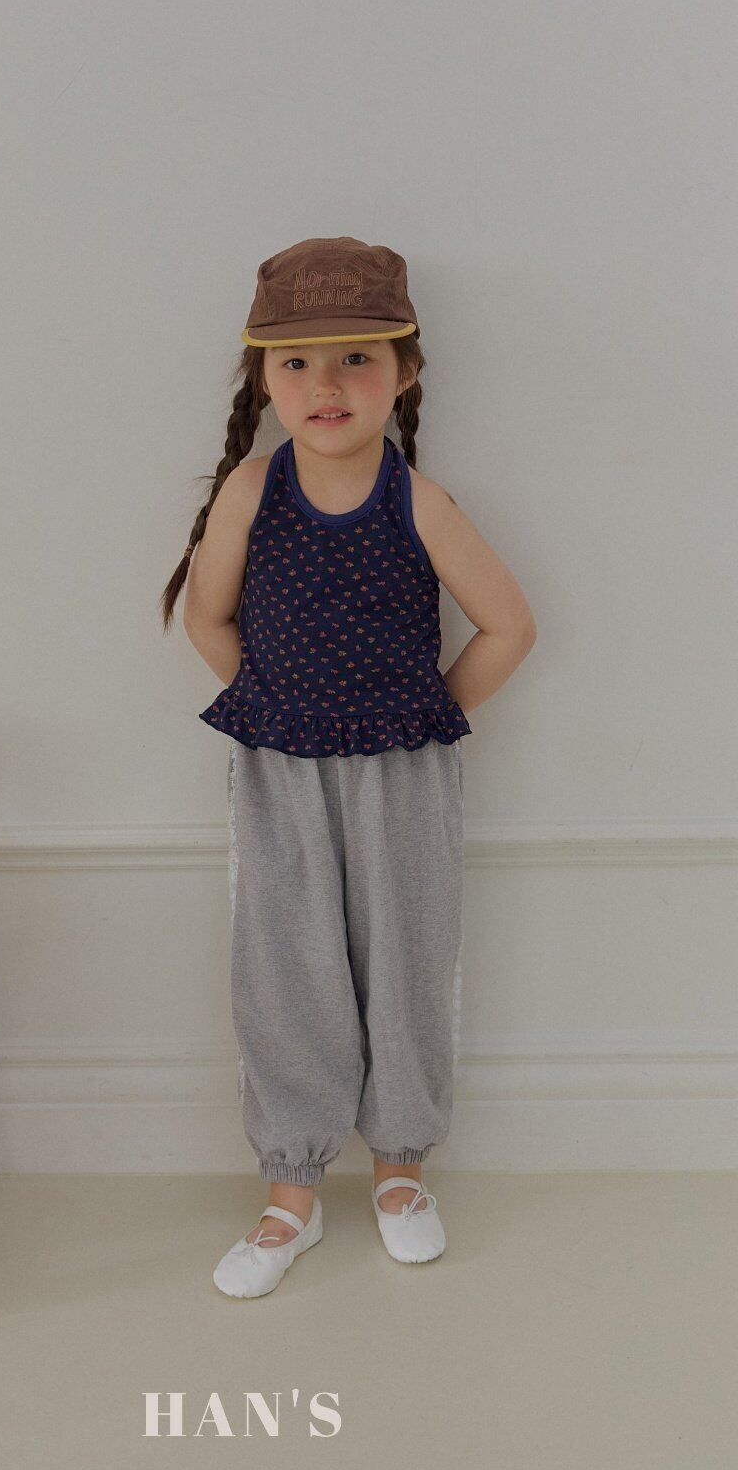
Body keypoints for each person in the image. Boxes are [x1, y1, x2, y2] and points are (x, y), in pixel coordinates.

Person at [161, 236, 536, 1298]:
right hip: (280, 768)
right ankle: (292, 1191)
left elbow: (509, 627)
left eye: (355, 359)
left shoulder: (420, 501)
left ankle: (401, 1172)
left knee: (406, 959)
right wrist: (275, 706)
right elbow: (207, 615)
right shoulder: (251, 491)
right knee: (287, 969)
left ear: (404, 372)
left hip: (400, 773)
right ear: (264, 380)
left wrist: (419, 715)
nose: (324, 385)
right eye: (296, 363)